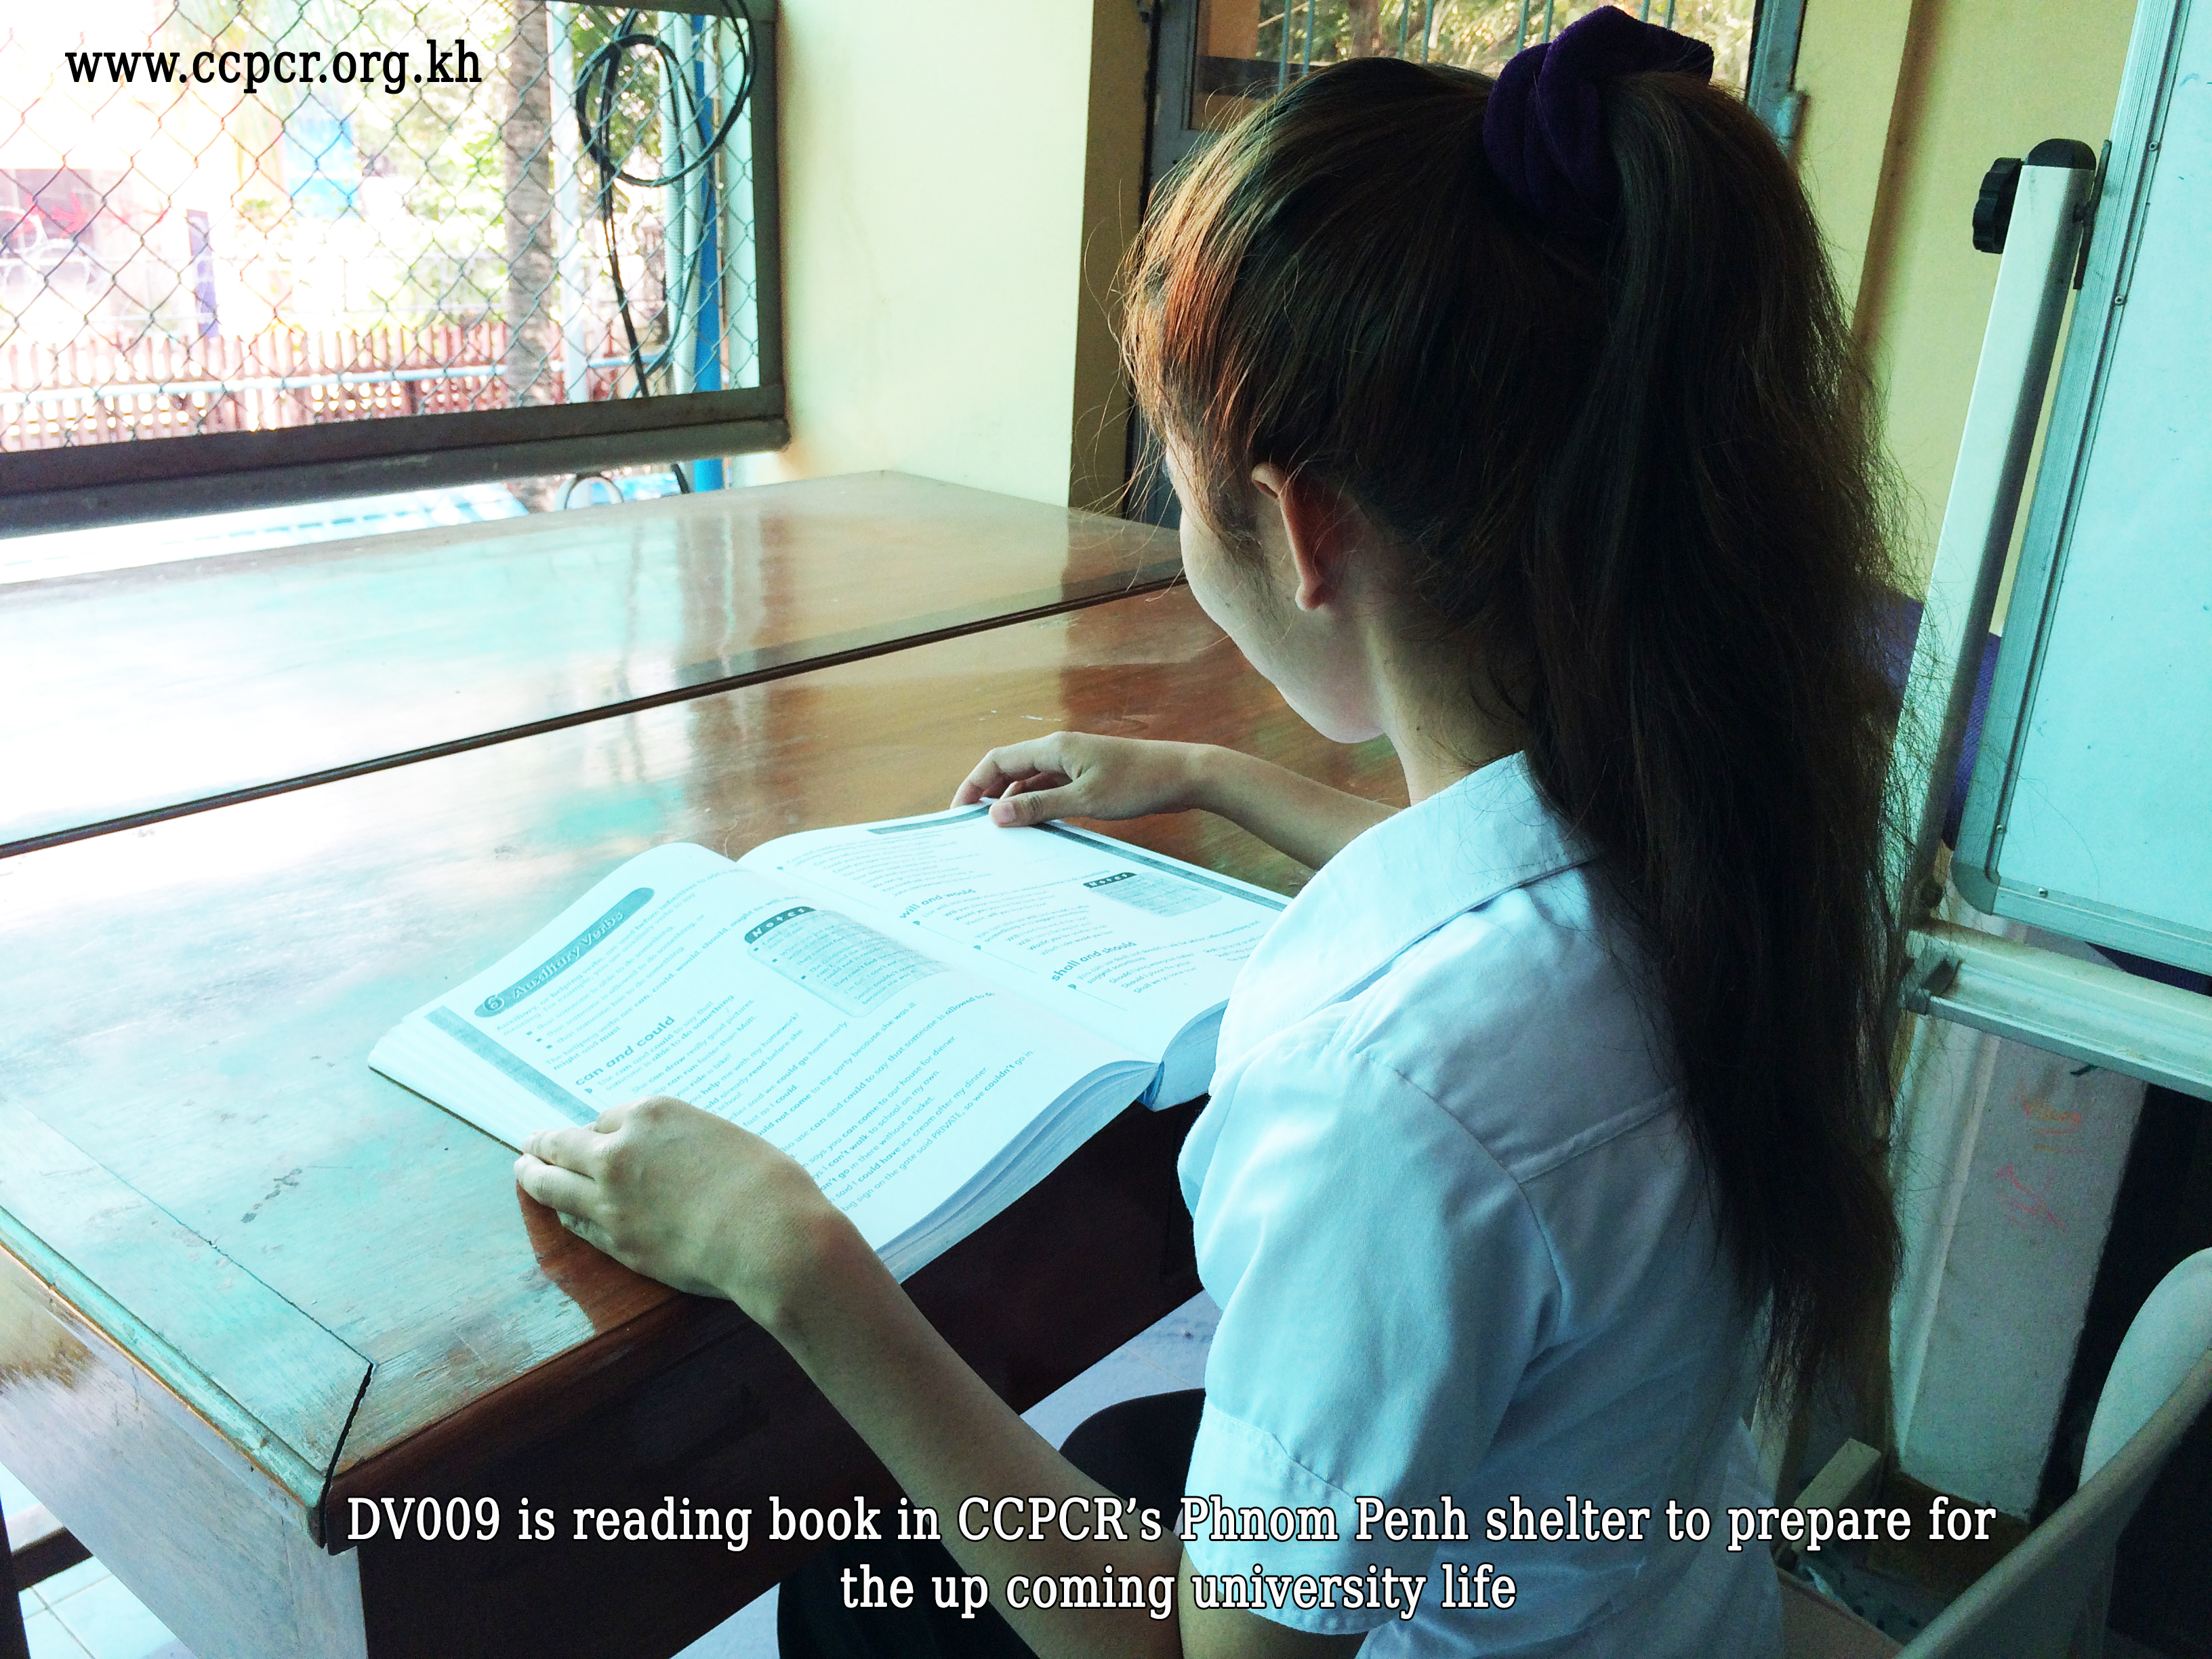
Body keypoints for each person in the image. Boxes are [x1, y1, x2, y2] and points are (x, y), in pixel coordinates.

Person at [512, 7, 1905, 1654]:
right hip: (1660, 1596)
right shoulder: (1734, 829)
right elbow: (1532, 932)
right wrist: (1224, 781)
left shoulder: (1388, 1103)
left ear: (1303, 526)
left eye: (1176, 478)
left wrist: (794, 1256)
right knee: (1087, 1460)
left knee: (852, 1574)